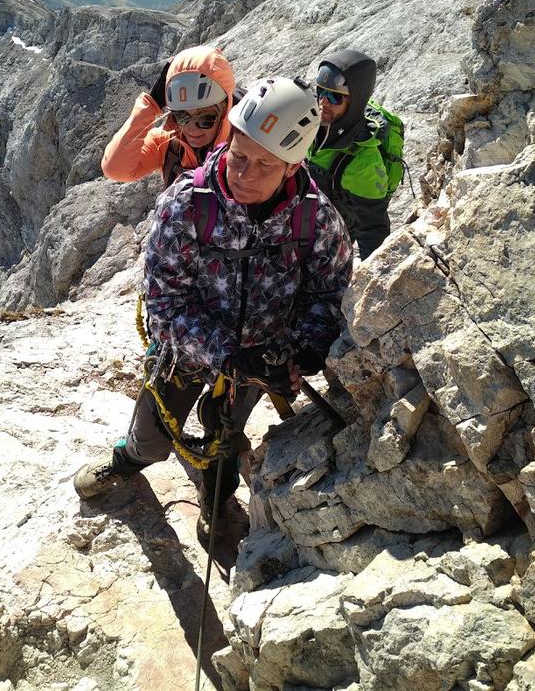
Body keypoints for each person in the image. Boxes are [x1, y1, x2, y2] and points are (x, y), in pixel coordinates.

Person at [75, 76, 353, 543]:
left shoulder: (315, 218)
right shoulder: (186, 205)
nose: (244, 173)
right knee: (155, 428)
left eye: (264, 164)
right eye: (238, 155)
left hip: (263, 358)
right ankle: (131, 458)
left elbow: (329, 294)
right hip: (187, 352)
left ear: (291, 166)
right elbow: (164, 302)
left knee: (226, 436)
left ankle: (216, 496)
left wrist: (303, 352)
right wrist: (224, 353)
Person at [101, 45, 235, 187]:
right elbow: (115, 168)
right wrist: (150, 105)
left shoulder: (244, 148)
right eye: (182, 117)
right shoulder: (167, 143)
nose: (191, 130)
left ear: (225, 110)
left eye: (205, 119)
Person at [306, 49, 394, 259]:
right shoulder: (310, 125)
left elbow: (373, 230)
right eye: (321, 91)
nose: (323, 102)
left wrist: (372, 279)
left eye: (334, 97)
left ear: (354, 102)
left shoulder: (364, 162)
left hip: (330, 245)